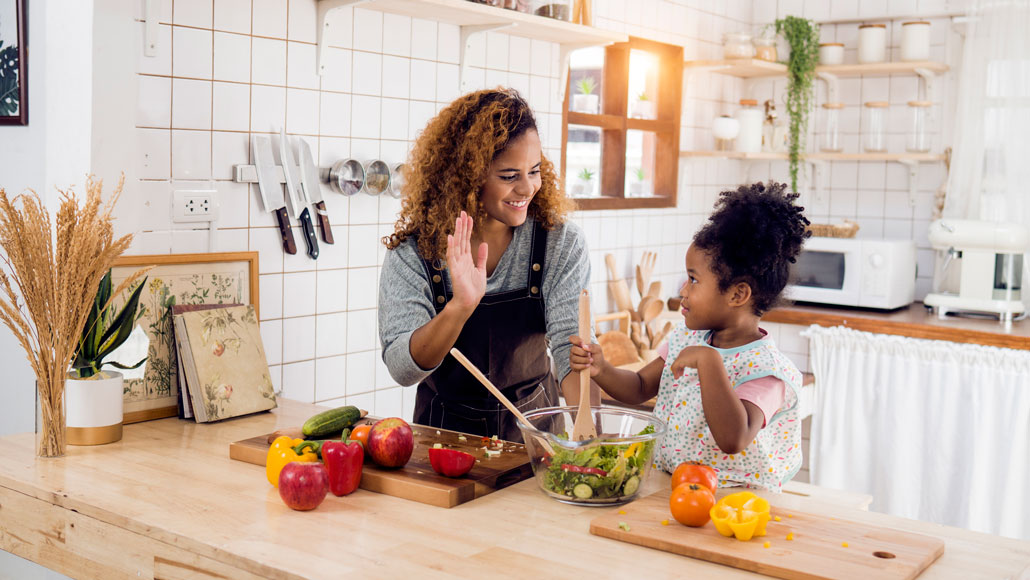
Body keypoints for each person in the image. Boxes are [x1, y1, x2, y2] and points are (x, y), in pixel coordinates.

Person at [379, 88, 593, 442]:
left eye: (535, 170)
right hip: (443, 440)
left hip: (537, 440)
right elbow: (402, 369)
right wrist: (458, 308)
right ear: (466, 176)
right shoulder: (415, 252)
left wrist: (588, 434)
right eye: (509, 176)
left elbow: (573, 356)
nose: (528, 188)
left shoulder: (560, 242)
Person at [570, 181, 810, 491]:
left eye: (694, 280)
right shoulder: (686, 340)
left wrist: (709, 361)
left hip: (733, 501)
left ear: (738, 294)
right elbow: (640, 387)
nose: (683, 290)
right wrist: (601, 369)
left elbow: (733, 438)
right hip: (670, 488)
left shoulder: (767, 372)